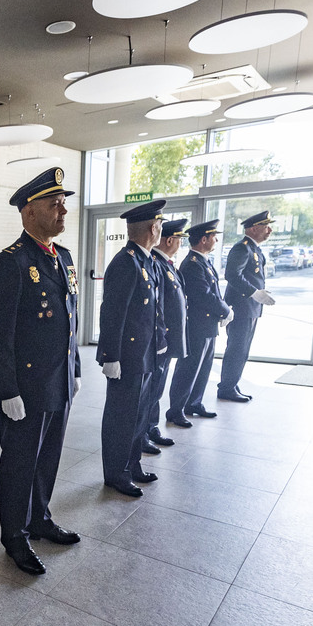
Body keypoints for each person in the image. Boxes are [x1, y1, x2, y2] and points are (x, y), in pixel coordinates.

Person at [0, 167, 82, 576]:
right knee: (20, 463)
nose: (63, 211)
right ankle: (15, 536)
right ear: (29, 212)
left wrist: (73, 368)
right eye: (54, 204)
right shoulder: (11, 263)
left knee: (48, 457)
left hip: (58, 381)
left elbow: (70, 320)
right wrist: (6, 390)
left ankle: (39, 517)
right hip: (25, 386)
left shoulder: (64, 258)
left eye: (64, 203)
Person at [96, 199, 165, 497]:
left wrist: (160, 343)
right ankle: (116, 473)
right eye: (160, 225)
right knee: (121, 417)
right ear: (153, 227)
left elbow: (152, 311)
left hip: (145, 354)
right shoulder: (125, 262)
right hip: (126, 357)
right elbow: (112, 312)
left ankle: (132, 464)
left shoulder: (146, 260)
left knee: (139, 414)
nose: (161, 230)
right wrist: (110, 356)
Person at [166, 220, 230, 427]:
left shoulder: (203, 261)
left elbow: (213, 292)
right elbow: (204, 296)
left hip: (207, 325)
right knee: (188, 369)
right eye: (213, 236)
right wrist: (225, 310)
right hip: (196, 326)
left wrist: (222, 310)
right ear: (204, 239)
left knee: (203, 367)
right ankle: (176, 409)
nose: (216, 240)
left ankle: (194, 403)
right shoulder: (192, 264)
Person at [217, 211, 277, 402]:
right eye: (265, 226)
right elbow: (233, 275)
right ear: (253, 228)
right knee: (237, 348)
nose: (270, 230)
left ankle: (231, 384)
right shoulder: (242, 248)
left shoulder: (255, 249)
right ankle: (226, 387)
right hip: (241, 307)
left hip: (251, 308)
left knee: (243, 349)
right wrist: (254, 293)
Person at [143, 218, 188, 450]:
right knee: (151, 389)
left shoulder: (167, 264)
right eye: (180, 239)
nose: (181, 244)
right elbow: (157, 307)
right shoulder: (156, 264)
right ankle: (144, 433)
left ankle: (151, 427)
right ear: (170, 240)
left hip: (167, 339)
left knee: (158, 387)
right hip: (160, 339)